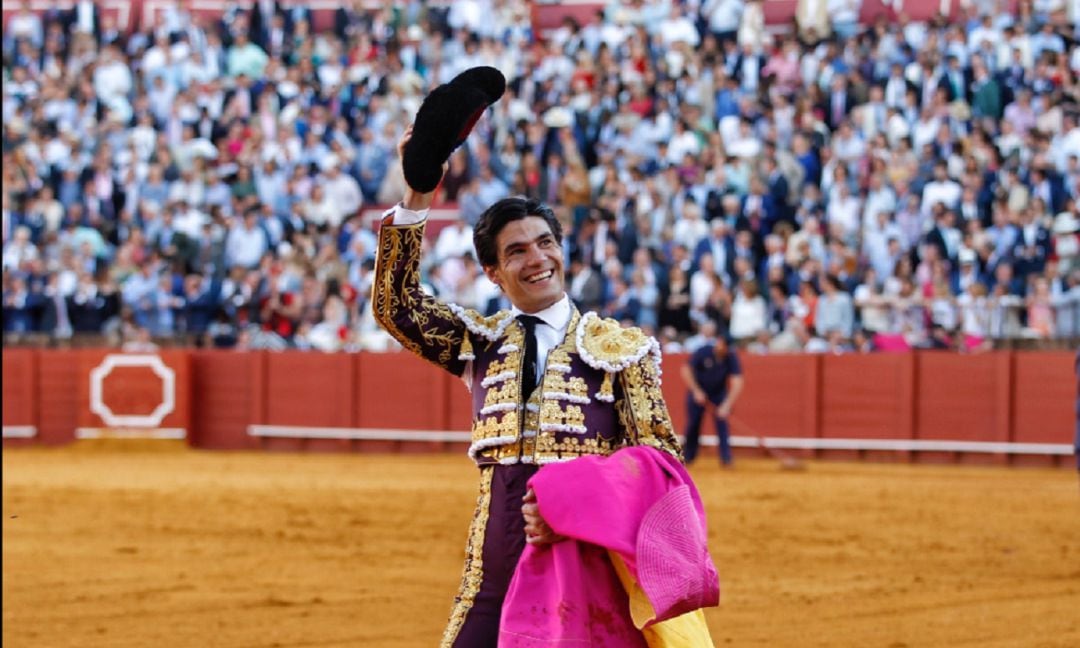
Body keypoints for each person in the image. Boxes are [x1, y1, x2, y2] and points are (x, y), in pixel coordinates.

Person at [372, 127, 712, 646]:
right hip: (492, 573)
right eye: (517, 252)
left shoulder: (620, 348)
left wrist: (571, 506)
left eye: (546, 243)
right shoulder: (479, 344)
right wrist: (418, 193)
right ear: (493, 272)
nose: (537, 259)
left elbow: (660, 462)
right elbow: (397, 307)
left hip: (583, 567)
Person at [680, 333, 745, 466]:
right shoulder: (703, 351)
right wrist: (696, 391)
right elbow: (686, 370)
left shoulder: (730, 357)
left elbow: (737, 381)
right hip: (698, 391)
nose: (724, 349)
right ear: (719, 342)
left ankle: (726, 458)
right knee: (693, 425)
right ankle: (688, 456)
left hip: (718, 394)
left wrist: (727, 404)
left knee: (722, 424)